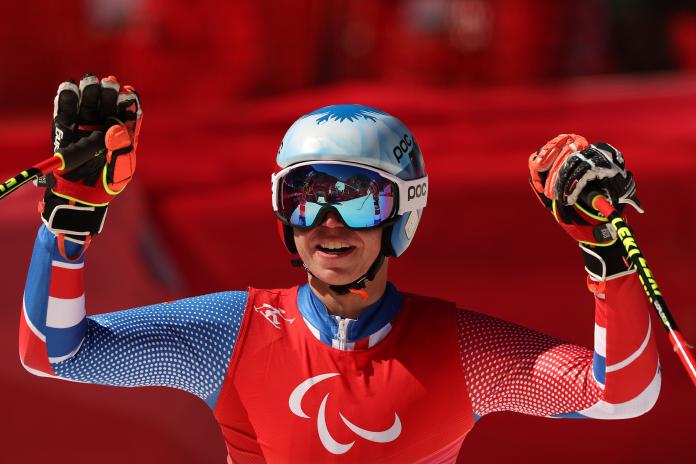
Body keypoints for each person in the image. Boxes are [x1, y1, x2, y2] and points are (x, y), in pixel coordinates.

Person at [19, 75, 660, 463]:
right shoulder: (229, 334)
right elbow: (54, 353)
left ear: (400, 213)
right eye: (306, 198)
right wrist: (71, 217)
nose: (329, 222)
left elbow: (621, 395)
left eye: (358, 199)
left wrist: (603, 249)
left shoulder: (462, 352)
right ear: (283, 216)